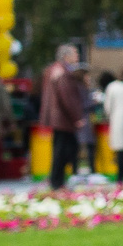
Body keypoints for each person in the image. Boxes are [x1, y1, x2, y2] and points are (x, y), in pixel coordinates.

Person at [36, 43, 88, 190]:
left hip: (57, 118)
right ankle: (57, 181)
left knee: (61, 149)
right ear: (66, 56)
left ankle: (57, 180)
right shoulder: (63, 72)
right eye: (75, 54)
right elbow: (67, 98)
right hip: (62, 118)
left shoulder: (53, 70)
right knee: (65, 150)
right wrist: (76, 117)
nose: (77, 57)